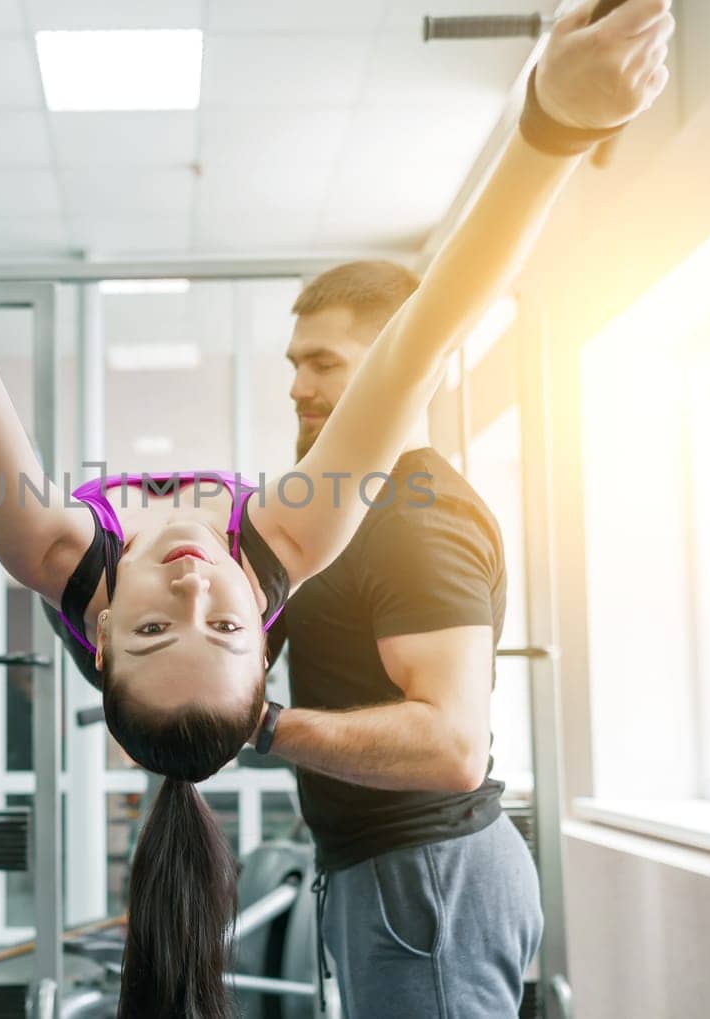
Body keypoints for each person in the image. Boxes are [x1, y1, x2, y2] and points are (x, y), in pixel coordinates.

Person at [0, 0, 672, 1019]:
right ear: (262, 636)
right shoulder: (291, 536)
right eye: (221, 623)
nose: (190, 584)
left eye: (148, 623)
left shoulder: (52, 547)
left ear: (98, 621)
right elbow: (414, 348)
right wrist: (552, 125)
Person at [268, 258, 534, 1017]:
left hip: (427, 880)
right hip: (390, 870)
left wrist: (263, 725)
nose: (297, 387)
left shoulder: (416, 520)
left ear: (401, 365)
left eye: (324, 363)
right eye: (295, 363)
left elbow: (451, 745)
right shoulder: (348, 506)